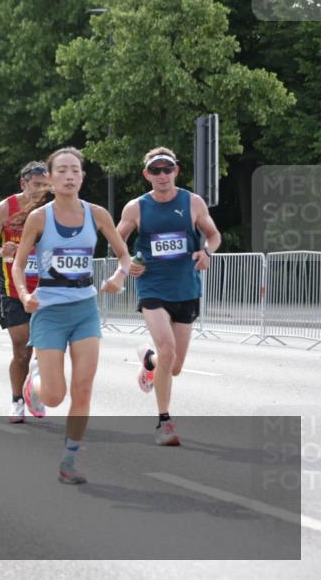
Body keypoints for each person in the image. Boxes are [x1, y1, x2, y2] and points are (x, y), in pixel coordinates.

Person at [13, 147, 131, 485]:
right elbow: (19, 265)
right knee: (54, 396)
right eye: (61, 170)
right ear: (49, 178)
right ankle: (33, 385)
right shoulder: (40, 218)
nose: (68, 176)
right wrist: (24, 295)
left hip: (84, 310)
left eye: (74, 170)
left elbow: (124, 256)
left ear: (82, 176)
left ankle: (70, 459)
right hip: (49, 312)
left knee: (83, 389)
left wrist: (119, 277)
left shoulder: (97, 215)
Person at [116, 147, 221, 446]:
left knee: (173, 365)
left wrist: (207, 252)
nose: (162, 175)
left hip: (186, 287)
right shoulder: (136, 207)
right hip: (152, 287)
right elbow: (116, 238)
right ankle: (164, 423)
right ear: (147, 174)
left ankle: (148, 362)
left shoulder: (193, 202)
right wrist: (128, 263)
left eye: (168, 169)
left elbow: (213, 235)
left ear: (176, 171)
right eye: (156, 170)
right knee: (167, 349)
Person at [0, 161, 51, 422]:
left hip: (49, 289)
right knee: (22, 348)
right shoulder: (6, 208)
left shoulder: (54, 209)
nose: (40, 190)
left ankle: (36, 386)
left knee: (47, 349)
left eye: (45, 186)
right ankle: (17, 400)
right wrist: (0, 251)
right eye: (35, 185)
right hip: (13, 290)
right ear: (23, 183)